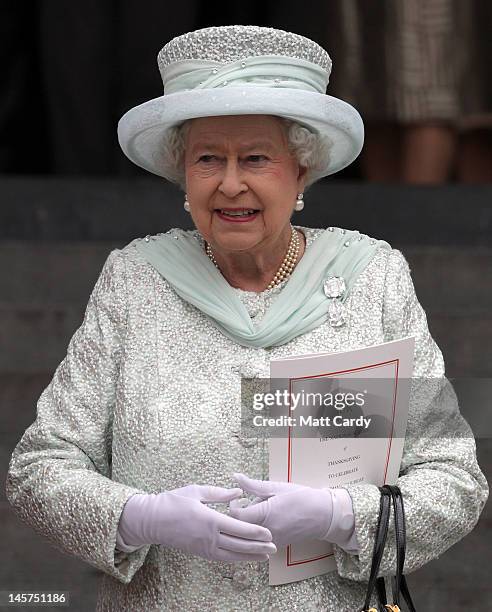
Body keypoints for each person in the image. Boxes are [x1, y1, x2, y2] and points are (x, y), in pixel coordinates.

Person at [5, 25, 488, 611]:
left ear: (301, 171)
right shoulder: (135, 282)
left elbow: (455, 480)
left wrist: (340, 516)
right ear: (184, 175)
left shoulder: (373, 279)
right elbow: (41, 467)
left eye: (256, 158)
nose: (231, 184)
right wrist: (141, 517)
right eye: (209, 159)